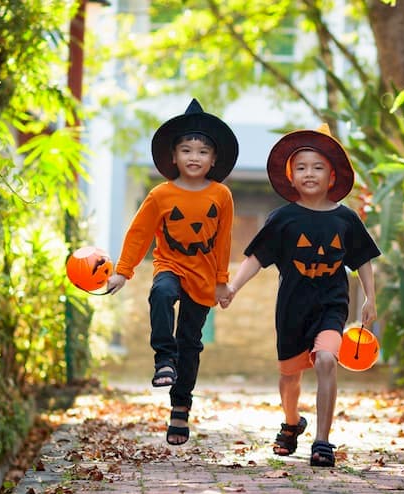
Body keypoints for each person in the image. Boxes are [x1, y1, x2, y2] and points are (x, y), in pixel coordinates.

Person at [220, 124, 379, 467]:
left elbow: (363, 259)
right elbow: (257, 258)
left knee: (325, 360)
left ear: (332, 175)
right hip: (292, 308)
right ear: (291, 177)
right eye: (302, 168)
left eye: (318, 167)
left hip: (332, 305)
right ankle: (292, 423)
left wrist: (370, 298)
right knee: (289, 378)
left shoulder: (345, 219)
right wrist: (232, 287)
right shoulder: (283, 219)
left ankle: (322, 441)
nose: (309, 173)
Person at [106, 98, 238, 446]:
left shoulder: (221, 195)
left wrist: (222, 282)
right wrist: (123, 271)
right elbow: (139, 234)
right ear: (174, 157)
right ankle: (163, 357)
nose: (194, 157)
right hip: (170, 265)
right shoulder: (160, 194)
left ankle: (180, 409)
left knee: (191, 344)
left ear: (213, 159)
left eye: (202, 151)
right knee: (161, 292)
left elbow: (224, 240)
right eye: (186, 150)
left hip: (205, 275)